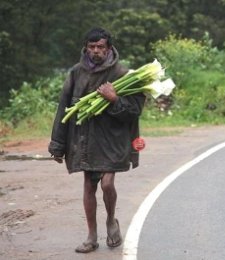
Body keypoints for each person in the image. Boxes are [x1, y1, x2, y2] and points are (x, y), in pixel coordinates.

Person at [48, 27, 145, 254]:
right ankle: (91, 237)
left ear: (108, 48)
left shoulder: (123, 74)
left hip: (113, 140)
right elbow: (63, 109)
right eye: (91, 47)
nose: (95, 51)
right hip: (85, 140)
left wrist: (114, 99)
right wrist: (57, 144)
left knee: (107, 183)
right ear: (86, 48)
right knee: (89, 185)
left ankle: (111, 220)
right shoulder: (76, 73)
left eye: (100, 47)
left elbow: (134, 111)